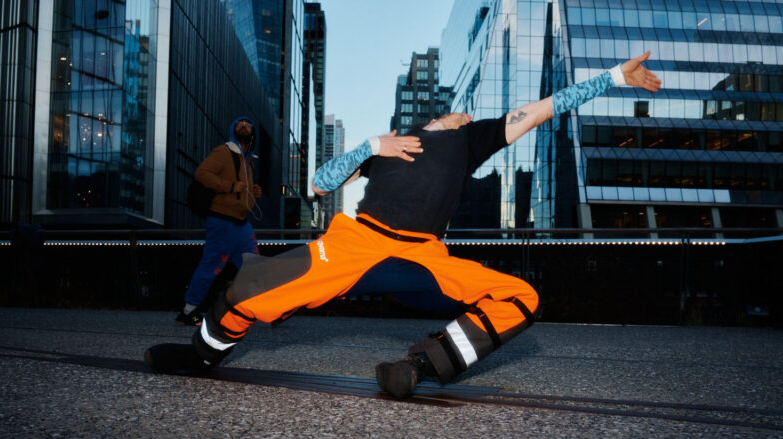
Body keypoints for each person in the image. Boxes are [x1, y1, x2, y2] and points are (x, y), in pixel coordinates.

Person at [147, 53, 660, 398]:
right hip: (356, 243)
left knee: (520, 297)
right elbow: (320, 184)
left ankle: (419, 366)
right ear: (431, 120)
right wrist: (372, 146)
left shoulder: (470, 141)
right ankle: (200, 357)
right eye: (455, 115)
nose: (463, 117)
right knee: (247, 289)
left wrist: (614, 77)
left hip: (422, 253)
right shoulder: (389, 145)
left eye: (464, 117)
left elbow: (542, 110)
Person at [176, 117, 263, 326]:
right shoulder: (224, 152)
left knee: (254, 266)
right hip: (222, 221)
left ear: (253, 132)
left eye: (248, 124)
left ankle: (259, 308)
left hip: (241, 223)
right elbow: (202, 174)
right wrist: (230, 186)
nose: (244, 126)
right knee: (211, 266)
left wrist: (253, 192)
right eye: (240, 124)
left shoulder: (248, 160)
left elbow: (241, 190)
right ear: (233, 129)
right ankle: (188, 311)